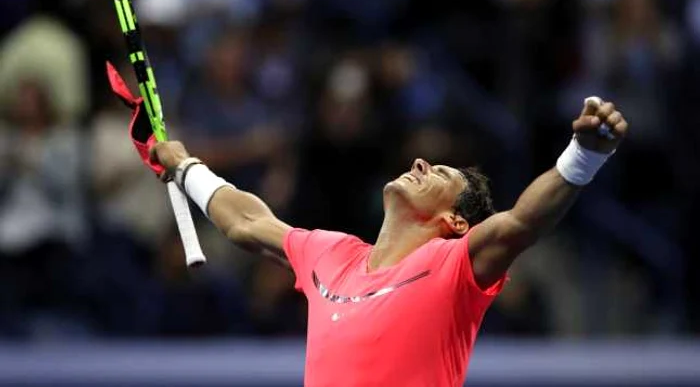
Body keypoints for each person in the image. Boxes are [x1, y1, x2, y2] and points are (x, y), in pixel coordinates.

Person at [111, 57, 627, 386]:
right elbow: (247, 221)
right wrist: (183, 166)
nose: (420, 163)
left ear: (454, 220)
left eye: (440, 172)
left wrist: (582, 156)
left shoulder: (454, 266)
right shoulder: (331, 254)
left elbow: (522, 222)